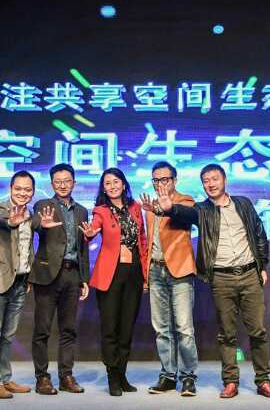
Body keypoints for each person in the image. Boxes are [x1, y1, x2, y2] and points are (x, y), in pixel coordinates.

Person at [155, 163, 270, 399]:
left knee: (257, 331)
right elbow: (185, 213)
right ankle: (230, 381)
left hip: (249, 275)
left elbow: (259, 234)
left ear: (224, 180)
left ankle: (263, 380)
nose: (210, 184)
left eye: (214, 179)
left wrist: (262, 266)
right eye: (206, 181)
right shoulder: (202, 210)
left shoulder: (243, 204)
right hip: (221, 277)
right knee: (226, 334)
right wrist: (170, 208)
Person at [79, 168, 148, 396]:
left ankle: (122, 374)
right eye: (107, 183)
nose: (112, 186)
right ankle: (112, 377)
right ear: (103, 188)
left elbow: (142, 241)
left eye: (116, 181)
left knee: (127, 328)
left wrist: (146, 275)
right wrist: (89, 233)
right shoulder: (100, 210)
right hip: (110, 274)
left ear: (124, 184)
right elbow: (93, 228)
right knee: (110, 328)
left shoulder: (135, 207)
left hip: (134, 273)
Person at [29, 163, 90, 395]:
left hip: (72, 275)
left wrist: (84, 278)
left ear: (74, 182)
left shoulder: (82, 211)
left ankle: (66, 376)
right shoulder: (43, 205)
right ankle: (42, 378)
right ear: (52, 184)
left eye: (67, 181)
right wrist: (40, 224)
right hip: (47, 275)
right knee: (42, 330)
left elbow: (83, 248)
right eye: (58, 182)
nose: (63, 185)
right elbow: (34, 225)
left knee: (68, 330)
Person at [139, 161, 199, 396]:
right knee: (162, 328)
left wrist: (167, 208)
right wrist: (146, 275)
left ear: (175, 180)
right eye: (156, 180)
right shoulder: (149, 206)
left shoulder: (186, 201)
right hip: (156, 270)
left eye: (165, 179)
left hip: (180, 270)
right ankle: (168, 375)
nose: (160, 184)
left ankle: (188, 376)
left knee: (184, 328)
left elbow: (187, 216)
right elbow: (148, 242)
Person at [0, 170, 36, 399]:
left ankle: (5, 378)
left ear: (33, 192)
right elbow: (3, 220)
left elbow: (27, 248)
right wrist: (12, 221)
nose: (23, 193)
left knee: (8, 336)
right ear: (10, 189)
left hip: (20, 282)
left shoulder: (30, 214)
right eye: (18, 188)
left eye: (27, 189)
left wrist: (28, 275)